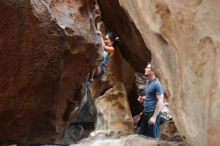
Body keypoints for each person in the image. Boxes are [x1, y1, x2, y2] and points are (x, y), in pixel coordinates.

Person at [137, 62, 164, 139]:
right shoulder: (148, 81)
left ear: (152, 71)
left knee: (153, 139)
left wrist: (154, 117)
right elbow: (150, 95)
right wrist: (143, 98)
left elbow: (160, 101)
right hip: (146, 112)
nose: (145, 69)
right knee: (142, 137)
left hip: (152, 113)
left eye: (147, 68)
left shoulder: (157, 84)